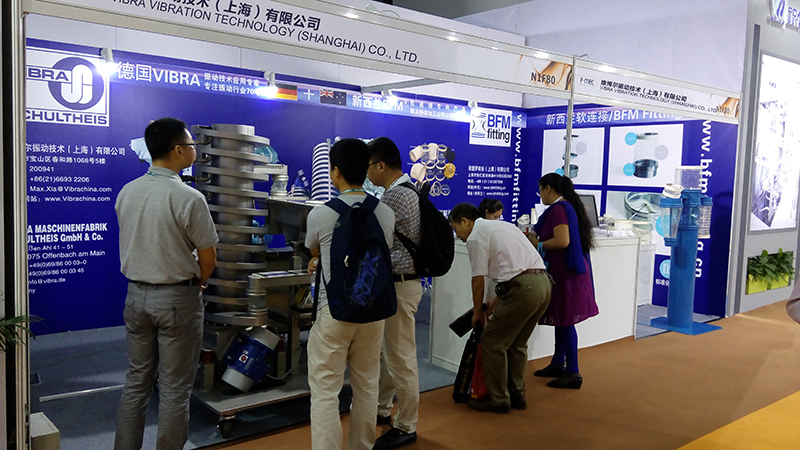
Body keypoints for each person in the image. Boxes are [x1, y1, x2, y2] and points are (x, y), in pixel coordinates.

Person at [114, 117, 218, 450]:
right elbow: (208, 258)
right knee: (175, 389)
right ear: (177, 150)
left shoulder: (127, 192)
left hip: (135, 298)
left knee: (136, 383)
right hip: (177, 300)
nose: (193, 150)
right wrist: (199, 282)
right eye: (191, 145)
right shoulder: (189, 197)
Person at [305, 138, 396, 450]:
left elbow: (314, 250)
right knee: (367, 385)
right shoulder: (385, 213)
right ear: (366, 170)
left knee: (325, 391)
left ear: (335, 171)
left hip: (333, 311)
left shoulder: (320, 214)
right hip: (372, 309)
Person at [448, 203, 551, 413]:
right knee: (517, 343)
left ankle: (499, 399)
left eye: (456, 228)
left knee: (492, 342)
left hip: (522, 290)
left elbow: (477, 280)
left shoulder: (476, 236)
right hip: (543, 285)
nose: (457, 235)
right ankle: (517, 395)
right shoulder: (504, 226)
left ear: (465, 221)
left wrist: (477, 312)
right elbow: (515, 268)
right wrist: (495, 301)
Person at [366, 137, 423, 449]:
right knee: (391, 353)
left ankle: (406, 425)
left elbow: (374, 239)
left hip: (400, 285)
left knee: (401, 358)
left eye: (368, 167)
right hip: (401, 284)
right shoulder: (406, 190)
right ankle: (383, 407)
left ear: (380, 165)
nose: (366, 174)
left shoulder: (395, 196)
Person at [526, 173, 599, 389]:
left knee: (565, 321)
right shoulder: (569, 205)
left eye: (540, 191)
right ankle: (558, 362)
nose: (540, 195)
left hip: (565, 275)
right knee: (562, 319)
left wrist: (538, 244)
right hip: (568, 273)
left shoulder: (559, 209)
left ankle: (573, 372)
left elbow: (562, 241)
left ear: (548, 188)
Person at [478, 198, 504, 304]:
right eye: (494, 216)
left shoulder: (499, 228)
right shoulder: (478, 226)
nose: (496, 220)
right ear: (486, 212)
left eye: (498, 217)